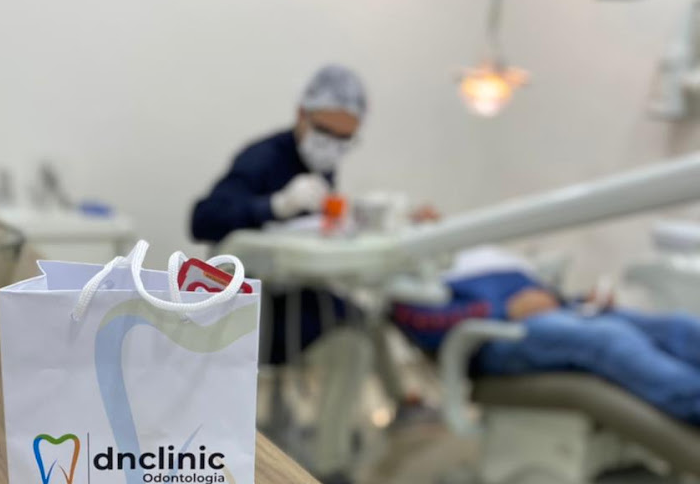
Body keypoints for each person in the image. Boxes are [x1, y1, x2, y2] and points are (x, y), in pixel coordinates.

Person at [190, 64, 370, 484]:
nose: (333, 146)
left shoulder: (322, 166)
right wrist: (273, 206)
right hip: (250, 307)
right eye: (326, 132)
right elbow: (202, 220)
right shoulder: (263, 158)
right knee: (351, 334)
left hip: (295, 294)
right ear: (301, 115)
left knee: (359, 329)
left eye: (345, 140)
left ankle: (328, 463)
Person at [391, 247, 700, 425]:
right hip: (499, 334)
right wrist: (502, 309)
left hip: (561, 312)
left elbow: (545, 296)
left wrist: (579, 300)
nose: (428, 214)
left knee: (678, 327)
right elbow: (424, 324)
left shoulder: (478, 253)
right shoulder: (409, 276)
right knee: (608, 339)